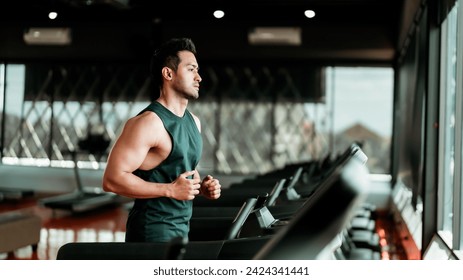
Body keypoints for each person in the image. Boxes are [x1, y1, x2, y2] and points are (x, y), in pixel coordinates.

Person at [102, 37, 221, 243]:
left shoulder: (194, 121)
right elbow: (112, 179)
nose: (199, 78)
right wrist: (169, 190)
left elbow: (179, 170)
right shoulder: (148, 123)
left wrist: (200, 187)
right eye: (191, 69)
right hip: (153, 230)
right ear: (168, 73)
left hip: (181, 227)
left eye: (197, 70)